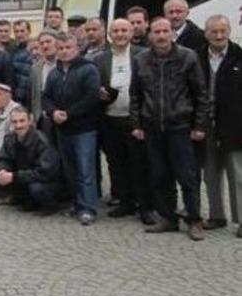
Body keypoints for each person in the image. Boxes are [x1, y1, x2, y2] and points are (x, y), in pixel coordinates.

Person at [131, 17, 208, 241]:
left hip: (181, 127)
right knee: (160, 175)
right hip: (152, 127)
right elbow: (136, 95)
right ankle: (168, 218)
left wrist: (199, 125)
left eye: (165, 31)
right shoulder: (141, 59)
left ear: (172, 33)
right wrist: (137, 124)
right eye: (157, 32)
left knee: (188, 177)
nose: (162, 36)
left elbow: (200, 94)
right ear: (150, 35)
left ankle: (194, 220)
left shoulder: (188, 57)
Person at [95, 19, 152, 224]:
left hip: (135, 118)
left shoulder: (143, 54)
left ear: (131, 33)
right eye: (116, 31)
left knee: (140, 163)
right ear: (110, 34)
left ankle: (145, 205)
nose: (120, 34)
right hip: (110, 117)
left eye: (124, 30)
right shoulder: (100, 58)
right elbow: (95, 85)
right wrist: (99, 93)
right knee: (116, 163)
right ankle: (125, 201)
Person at [43, 32, 101, 226]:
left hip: (83, 128)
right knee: (70, 170)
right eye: (61, 48)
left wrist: (69, 113)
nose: (64, 51)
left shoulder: (88, 69)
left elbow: (91, 97)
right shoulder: (55, 72)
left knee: (85, 170)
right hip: (62, 129)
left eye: (68, 48)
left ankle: (88, 208)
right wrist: (53, 113)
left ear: (77, 48)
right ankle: (77, 204)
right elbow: (46, 97)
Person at [198, 14, 242, 238]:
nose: (218, 35)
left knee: (238, 175)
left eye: (222, 31)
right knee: (211, 174)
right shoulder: (197, 58)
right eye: (213, 31)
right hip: (206, 125)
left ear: (229, 31)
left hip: (235, 126)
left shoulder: (239, 57)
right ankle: (216, 215)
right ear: (206, 34)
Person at [0, 106, 61, 215]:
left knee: (36, 189)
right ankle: (24, 199)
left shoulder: (42, 141)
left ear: (30, 120)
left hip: (45, 181)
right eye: (15, 122)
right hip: (24, 175)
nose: (18, 125)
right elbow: (2, 158)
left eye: (22, 121)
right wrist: (2, 171)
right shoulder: (9, 138)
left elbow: (45, 172)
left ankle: (51, 206)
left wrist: (14, 176)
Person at [29, 31, 58, 134]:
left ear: (57, 43)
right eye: (41, 43)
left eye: (48, 42)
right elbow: (34, 95)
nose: (45, 46)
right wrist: (34, 115)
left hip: (62, 117)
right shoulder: (35, 68)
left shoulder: (66, 65)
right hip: (43, 118)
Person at [11, 19, 33, 106]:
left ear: (29, 31)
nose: (19, 34)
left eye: (22, 31)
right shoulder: (13, 50)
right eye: (16, 31)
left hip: (30, 96)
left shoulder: (35, 49)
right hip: (18, 96)